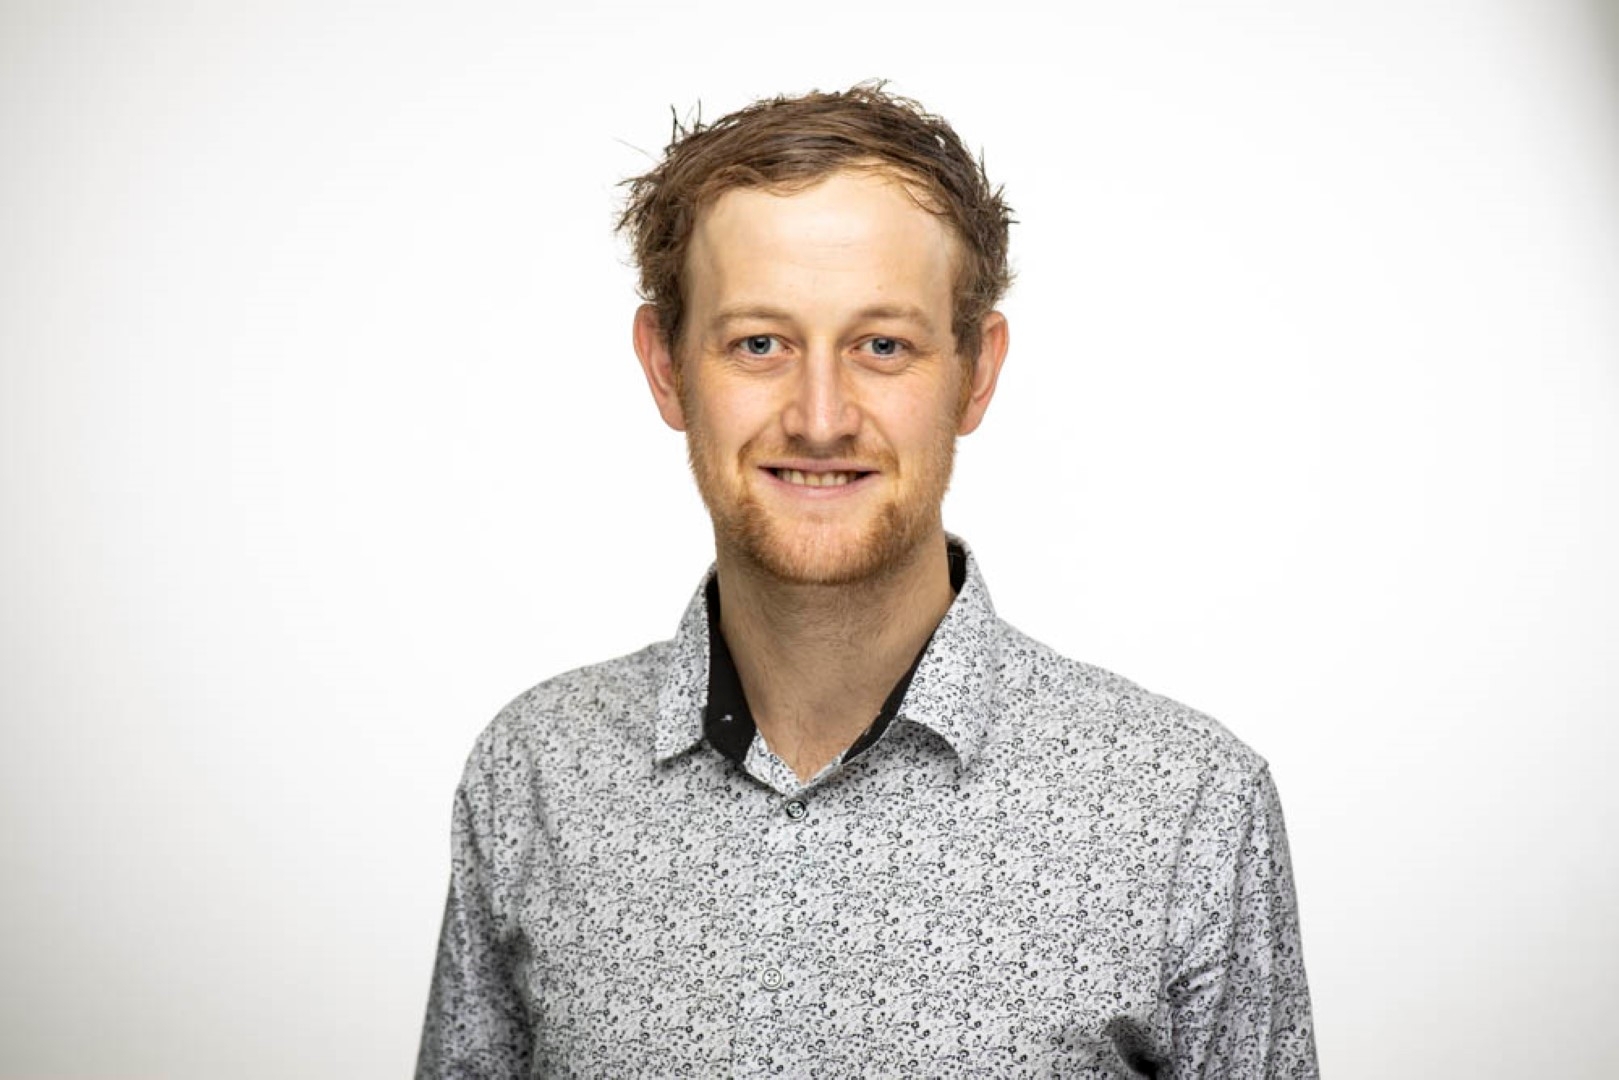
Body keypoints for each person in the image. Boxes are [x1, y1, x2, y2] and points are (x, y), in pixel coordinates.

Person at [416, 84, 1317, 1078]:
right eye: (758, 343)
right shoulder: (534, 776)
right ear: (665, 368)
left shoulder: (1186, 808)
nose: (818, 416)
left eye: (881, 346)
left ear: (975, 372)